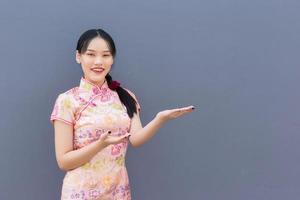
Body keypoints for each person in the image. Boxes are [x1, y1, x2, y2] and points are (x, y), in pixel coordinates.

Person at [50, 28, 195, 200]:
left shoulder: (125, 96)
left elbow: (136, 139)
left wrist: (160, 119)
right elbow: (64, 161)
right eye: (91, 54)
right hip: (80, 193)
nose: (98, 61)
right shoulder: (67, 100)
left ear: (112, 59)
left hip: (118, 191)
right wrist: (100, 145)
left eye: (105, 55)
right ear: (78, 56)